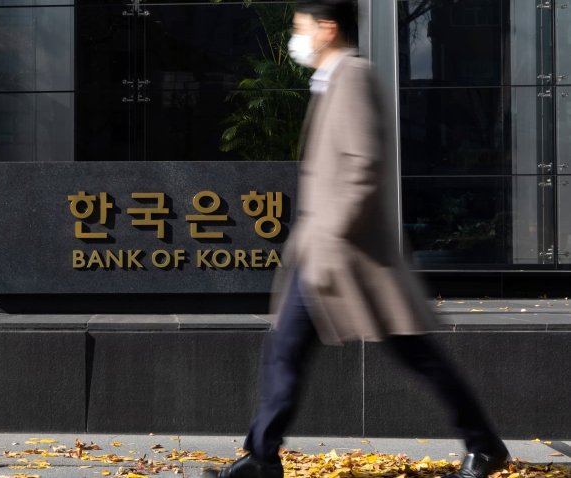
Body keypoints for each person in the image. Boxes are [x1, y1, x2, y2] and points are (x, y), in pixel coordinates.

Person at [204, 1, 508, 478]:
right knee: (284, 350)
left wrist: (330, 235)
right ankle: (261, 457)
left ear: (327, 29)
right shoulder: (330, 82)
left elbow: (363, 166)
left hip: (354, 257)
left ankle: (485, 444)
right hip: (326, 256)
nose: (295, 38)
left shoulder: (354, 78)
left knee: (417, 354)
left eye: (300, 27)